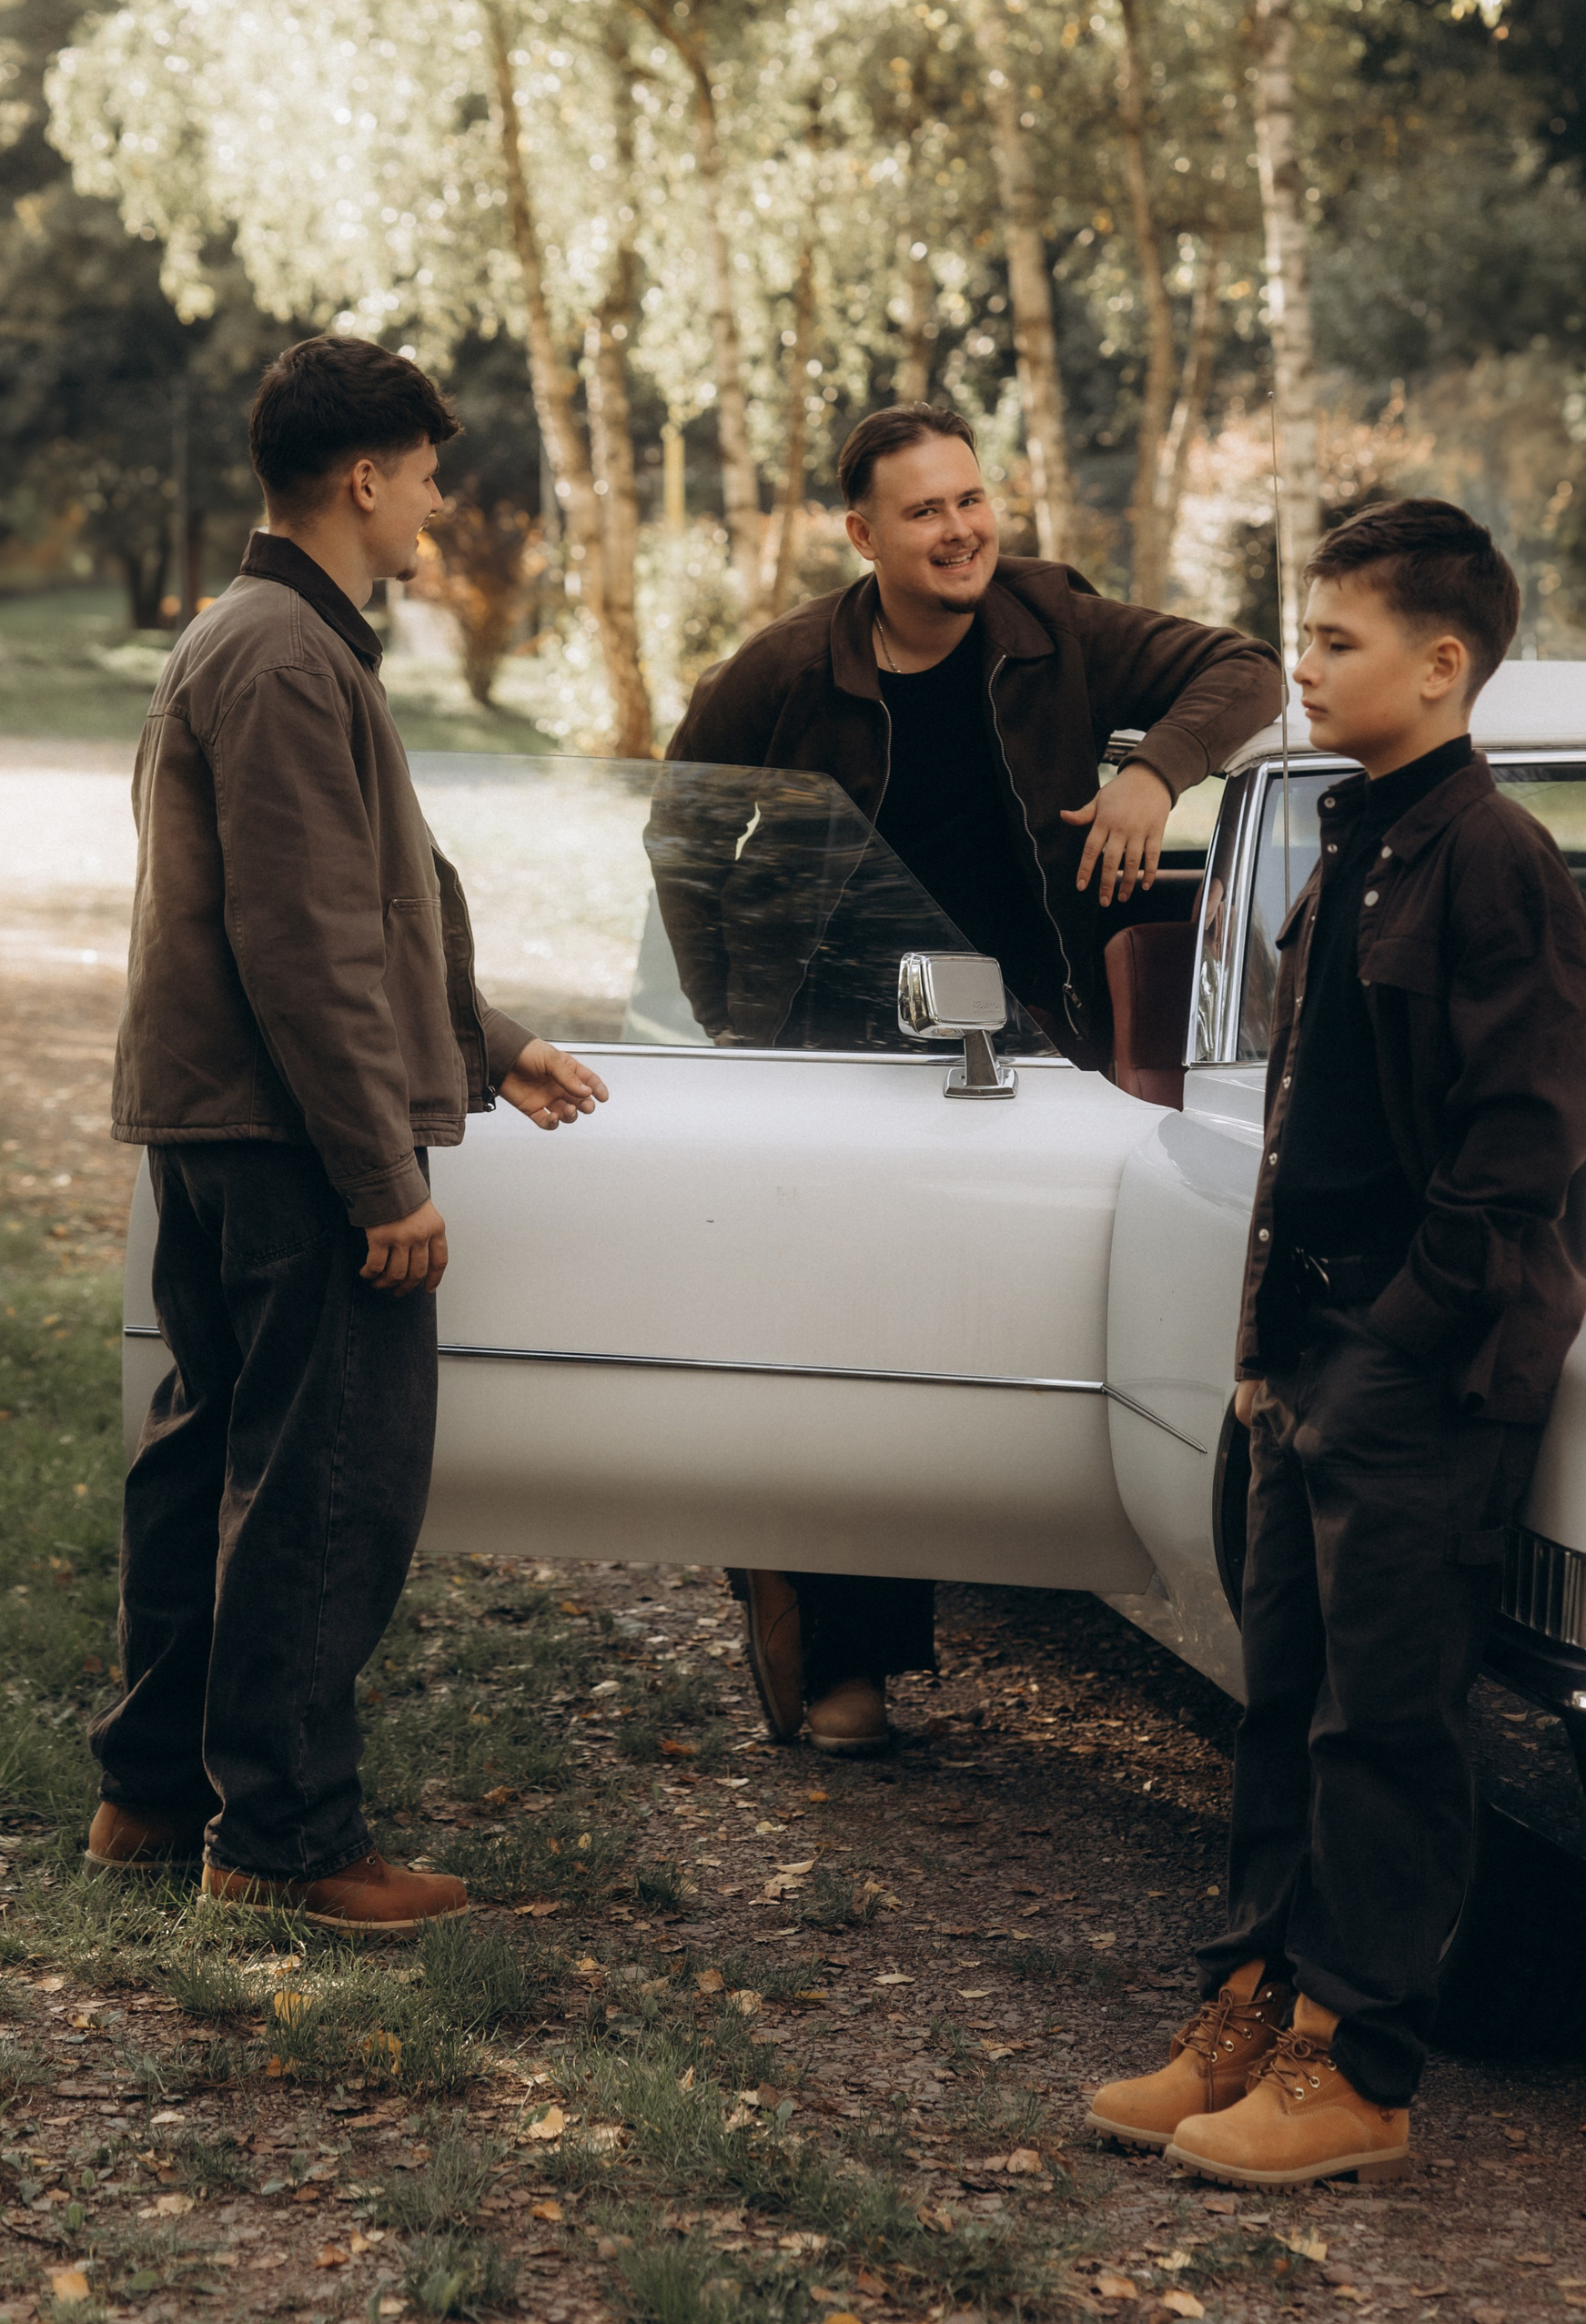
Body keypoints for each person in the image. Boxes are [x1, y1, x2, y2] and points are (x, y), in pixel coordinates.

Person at [1087, 498, 1586, 2184]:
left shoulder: (1498, 863)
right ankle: (1250, 2004)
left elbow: (1522, 1149)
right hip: (1306, 1350)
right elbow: (1309, 1124)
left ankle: (1355, 2067)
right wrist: (1274, 1346)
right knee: (1287, 1702)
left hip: (1414, 1376)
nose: (1300, 667)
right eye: (1303, 635)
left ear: (1442, 663)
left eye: (1336, 640)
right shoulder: (1359, 837)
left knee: (1387, 1728)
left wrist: (1395, 1340)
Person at [661, 400, 1285, 1758]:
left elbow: (1247, 670)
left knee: (985, 1321)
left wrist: (1154, 774)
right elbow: (682, 832)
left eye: (971, 499)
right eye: (925, 511)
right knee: (854, 1338)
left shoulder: (1054, 626)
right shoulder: (784, 670)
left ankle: (979, 1565)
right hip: (835, 1046)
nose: (959, 531)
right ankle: (846, 1655)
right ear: (863, 534)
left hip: (1023, 1045)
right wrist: (731, 1022)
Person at [88, 335, 607, 1935]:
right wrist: (385, 1178)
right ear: (365, 477)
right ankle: (286, 1837)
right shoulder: (283, 656)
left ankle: (153, 1795)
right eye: (430, 477)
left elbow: (362, 914)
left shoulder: (265, 637)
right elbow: (305, 947)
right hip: (294, 1140)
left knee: (208, 1463)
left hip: (235, 1123)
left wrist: (489, 1046)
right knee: (323, 1485)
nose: (439, 505)